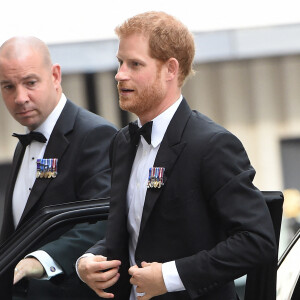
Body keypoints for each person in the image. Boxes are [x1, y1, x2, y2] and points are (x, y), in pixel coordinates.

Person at [77, 11, 277, 300]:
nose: (120, 74)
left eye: (135, 64)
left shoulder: (212, 144)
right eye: (120, 62)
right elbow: (133, 234)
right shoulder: (122, 143)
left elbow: (257, 241)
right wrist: (88, 260)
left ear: (170, 69)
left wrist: (170, 277)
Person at [0, 36, 117, 299]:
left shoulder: (95, 134)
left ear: (55, 75)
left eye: (30, 83)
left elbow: (105, 221)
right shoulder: (24, 144)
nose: (20, 98)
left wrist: (39, 261)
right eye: (8, 86)